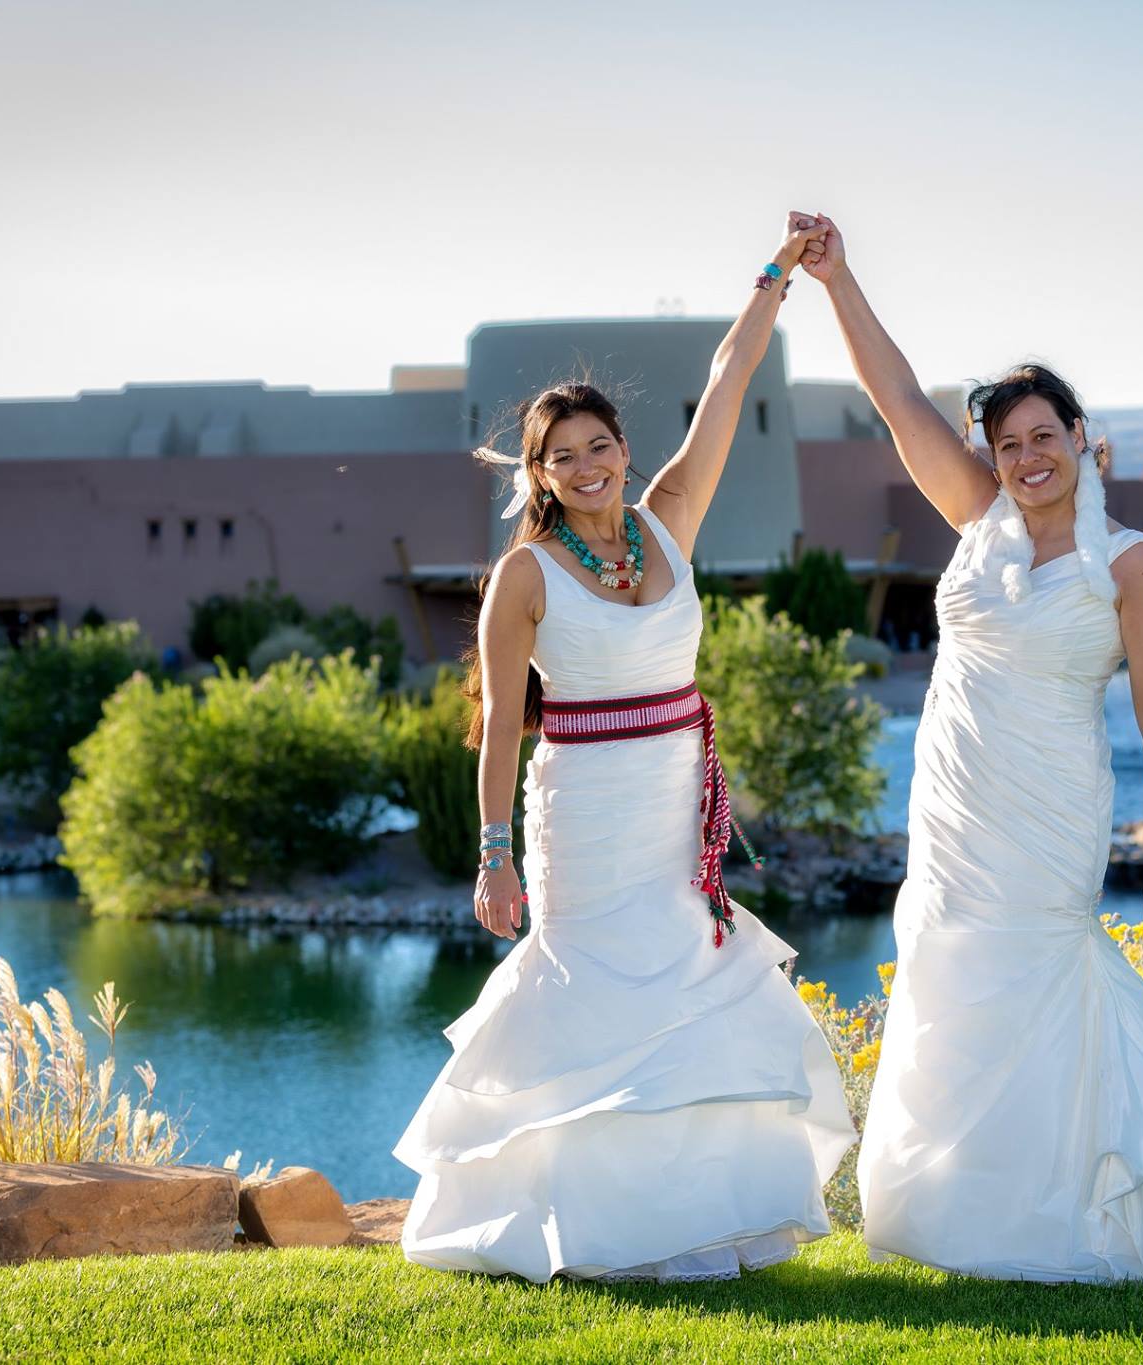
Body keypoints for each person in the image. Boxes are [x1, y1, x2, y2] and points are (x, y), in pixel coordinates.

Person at [391, 215, 855, 1284]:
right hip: (582, 812)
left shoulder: (671, 519)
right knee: (593, 996)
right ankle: (573, 1227)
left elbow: (730, 375)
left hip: (673, 793)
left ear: (623, 451)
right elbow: (501, 725)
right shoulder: (525, 576)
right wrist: (491, 855)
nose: (587, 465)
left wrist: (779, 276)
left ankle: (692, 1225)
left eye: (600, 446)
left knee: (688, 992)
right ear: (539, 476)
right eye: (563, 458)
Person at [799, 213, 1143, 1286]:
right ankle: (961, 1219)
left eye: (1040, 436)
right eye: (1005, 444)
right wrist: (839, 281)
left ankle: (1070, 1219)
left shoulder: (1130, 565)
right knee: (950, 981)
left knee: (1031, 981)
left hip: (1049, 807)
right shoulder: (975, 519)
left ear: (1078, 436)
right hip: (952, 804)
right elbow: (896, 401)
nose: (1023, 458)